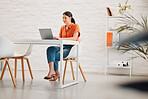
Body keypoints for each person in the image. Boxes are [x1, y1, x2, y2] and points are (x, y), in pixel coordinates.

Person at [44, 11, 81, 81]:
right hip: (62, 46)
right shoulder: (62, 28)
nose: (63, 20)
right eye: (63, 18)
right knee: (50, 49)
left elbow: (74, 38)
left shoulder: (75, 26)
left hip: (71, 48)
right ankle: (53, 71)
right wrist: (55, 39)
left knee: (54, 56)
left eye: (65, 18)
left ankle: (56, 74)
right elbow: (60, 39)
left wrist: (60, 38)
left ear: (70, 18)